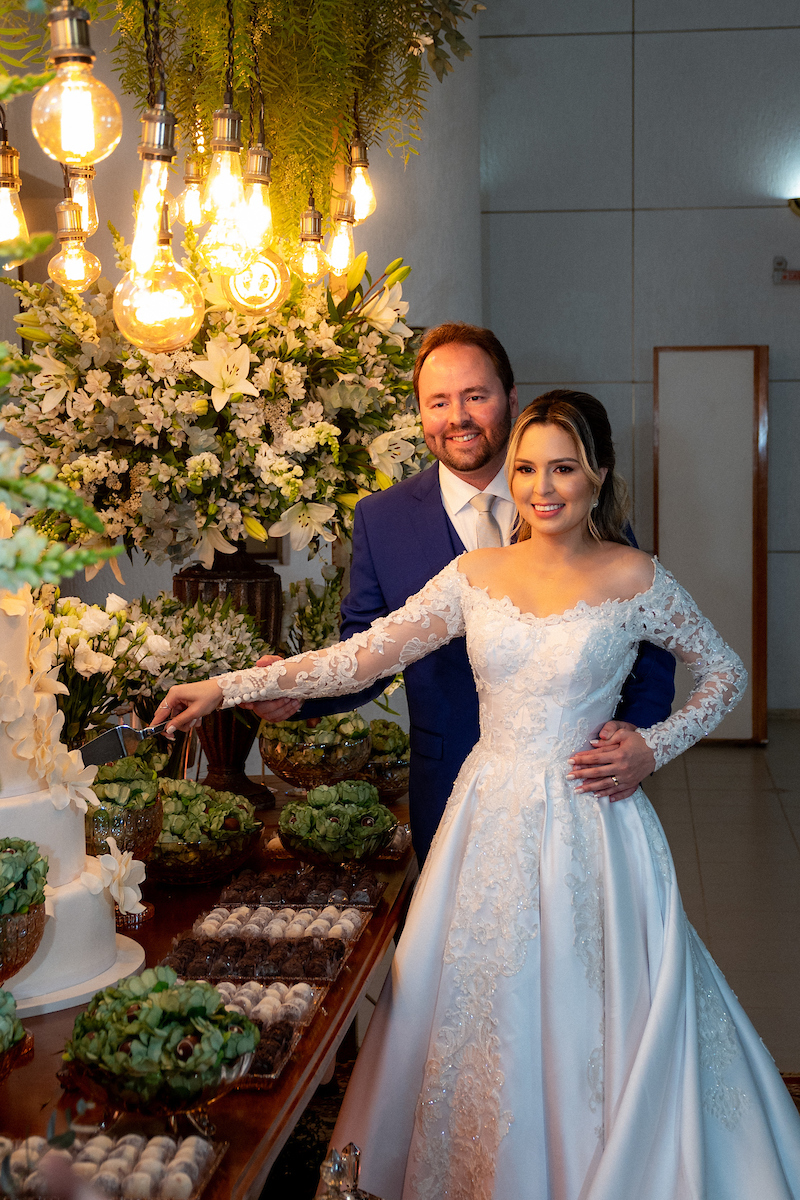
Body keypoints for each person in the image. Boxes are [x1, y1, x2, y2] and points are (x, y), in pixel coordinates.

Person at [157, 392, 800, 1200]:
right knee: (474, 1003)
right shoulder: (474, 575)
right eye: (528, 467)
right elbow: (361, 658)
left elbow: (726, 671)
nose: (543, 488)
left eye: (564, 467)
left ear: (598, 476)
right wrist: (225, 685)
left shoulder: (635, 575)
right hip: (486, 816)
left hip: (592, 825)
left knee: (590, 1006)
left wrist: (650, 744)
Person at [251, 324, 677, 863]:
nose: (459, 418)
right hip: (448, 779)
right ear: (421, 413)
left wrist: (640, 740)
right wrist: (297, 691)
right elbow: (366, 651)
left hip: (580, 782)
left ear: (512, 399)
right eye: (439, 402)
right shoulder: (381, 519)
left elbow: (648, 637)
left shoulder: (570, 498)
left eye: (476, 396)